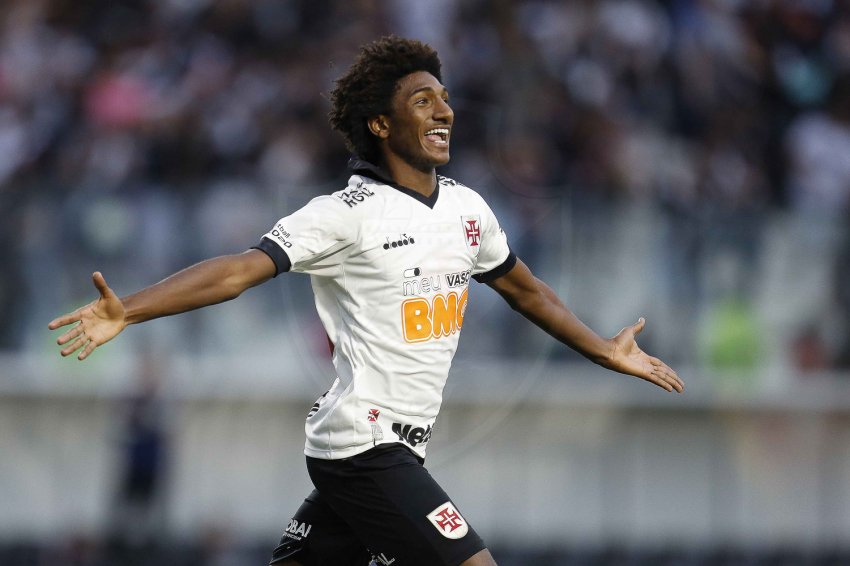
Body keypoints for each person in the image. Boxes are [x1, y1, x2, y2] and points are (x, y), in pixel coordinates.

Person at [49, 36, 683, 566]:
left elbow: (525, 290)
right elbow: (239, 271)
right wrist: (129, 309)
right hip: (364, 448)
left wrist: (603, 349)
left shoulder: (468, 210)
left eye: (445, 97)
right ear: (381, 124)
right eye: (422, 100)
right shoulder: (344, 215)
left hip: (393, 450)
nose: (444, 110)